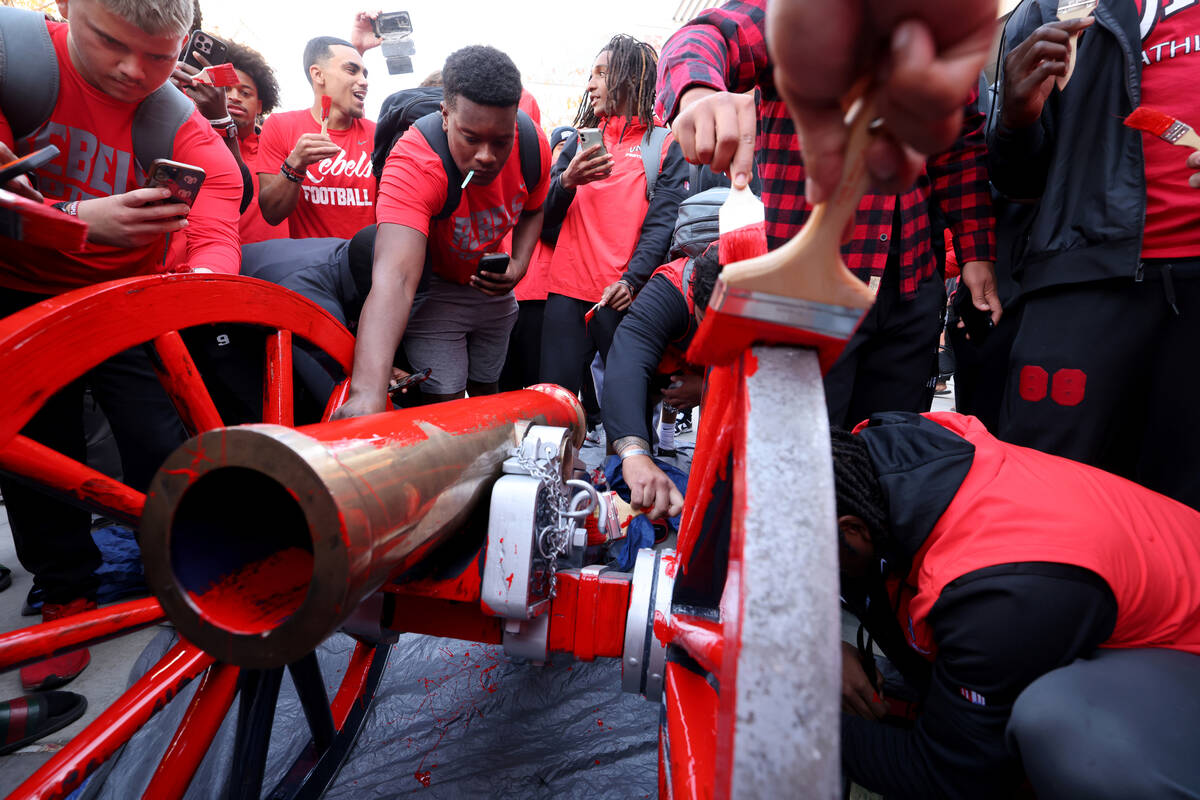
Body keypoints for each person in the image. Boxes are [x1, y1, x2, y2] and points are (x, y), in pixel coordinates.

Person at [0, 0, 241, 691]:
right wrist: (76, 221)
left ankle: (203, 561)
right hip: (17, 293)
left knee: (160, 437)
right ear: (68, 7)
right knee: (41, 456)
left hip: (125, 305)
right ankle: (65, 596)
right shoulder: (12, 59)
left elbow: (219, 216)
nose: (134, 72)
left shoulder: (178, 122)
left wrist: (204, 290)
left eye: (161, 57)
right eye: (110, 43)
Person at [657, 0, 998, 430]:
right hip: (805, 294)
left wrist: (976, 251)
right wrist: (699, 93)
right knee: (796, 470)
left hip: (910, 289)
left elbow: (960, 147)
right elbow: (705, 37)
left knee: (885, 464)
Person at [833, 411, 1200, 798]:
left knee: (1058, 724)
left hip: (1185, 656)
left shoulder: (992, 593)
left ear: (851, 529)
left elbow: (949, 777)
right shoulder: (888, 463)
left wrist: (791, 720)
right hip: (1113, 610)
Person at [988, 1, 1200, 510]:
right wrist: (1017, 118)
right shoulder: (1048, 7)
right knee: (1050, 500)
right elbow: (1015, 183)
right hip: (1079, 278)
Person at [332, 45, 550, 417]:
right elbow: (396, 277)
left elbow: (535, 205)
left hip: (491, 290)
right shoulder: (414, 163)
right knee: (445, 402)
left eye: (500, 141)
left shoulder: (533, 144)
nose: (487, 156)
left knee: (488, 390)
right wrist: (366, 393)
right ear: (445, 116)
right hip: (437, 290)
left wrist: (520, 263)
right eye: (470, 138)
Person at [539, 35, 688, 414]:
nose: (590, 84)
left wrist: (631, 281)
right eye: (590, 74)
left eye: (601, 74)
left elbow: (662, 226)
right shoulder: (578, 143)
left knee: (627, 407)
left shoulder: (665, 145)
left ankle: (623, 471)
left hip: (621, 296)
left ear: (630, 78)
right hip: (567, 293)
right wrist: (566, 182)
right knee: (554, 407)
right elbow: (544, 223)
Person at [763, 0, 1001, 203]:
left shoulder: (952, 48)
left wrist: (976, 255)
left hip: (915, 248)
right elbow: (730, 32)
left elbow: (960, 157)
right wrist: (722, 92)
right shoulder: (777, 10)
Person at [603, 243, 721, 519]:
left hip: (724, 376)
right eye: (711, 325)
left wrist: (707, 388)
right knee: (629, 453)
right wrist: (634, 454)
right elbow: (626, 363)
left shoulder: (775, 302)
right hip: (667, 366)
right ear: (695, 299)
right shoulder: (670, 287)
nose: (718, 338)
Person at [257, 36, 375, 239]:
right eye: (351, 70)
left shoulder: (379, 135)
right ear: (318, 74)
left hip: (367, 263)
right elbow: (271, 214)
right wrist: (295, 164)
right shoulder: (280, 126)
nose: (364, 82)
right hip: (312, 266)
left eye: (364, 74)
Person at [225, 40, 287, 243]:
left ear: (260, 106)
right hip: (213, 267)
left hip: (274, 268)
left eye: (245, 93)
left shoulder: (281, 147)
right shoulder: (193, 145)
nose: (234, 97)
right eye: (225, 90)